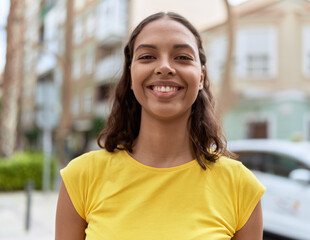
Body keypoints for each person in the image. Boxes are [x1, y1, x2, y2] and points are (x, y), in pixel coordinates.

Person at [55, 12, 265, 240]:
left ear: (201, 76)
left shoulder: (241, 187)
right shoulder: (81, 178)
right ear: (131, 73)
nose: (164, 67)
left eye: (183, 57)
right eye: (147, 57)